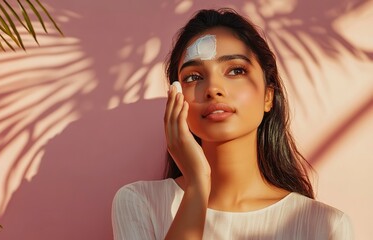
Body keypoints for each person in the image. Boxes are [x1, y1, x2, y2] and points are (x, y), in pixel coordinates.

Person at [112, 8, 354, 240]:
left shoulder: (325, 225)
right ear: (176, 98)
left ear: (268, 95)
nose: (214, 89)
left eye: (236, 71)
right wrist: (197, 185)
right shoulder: (138, 202)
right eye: (194, 77)